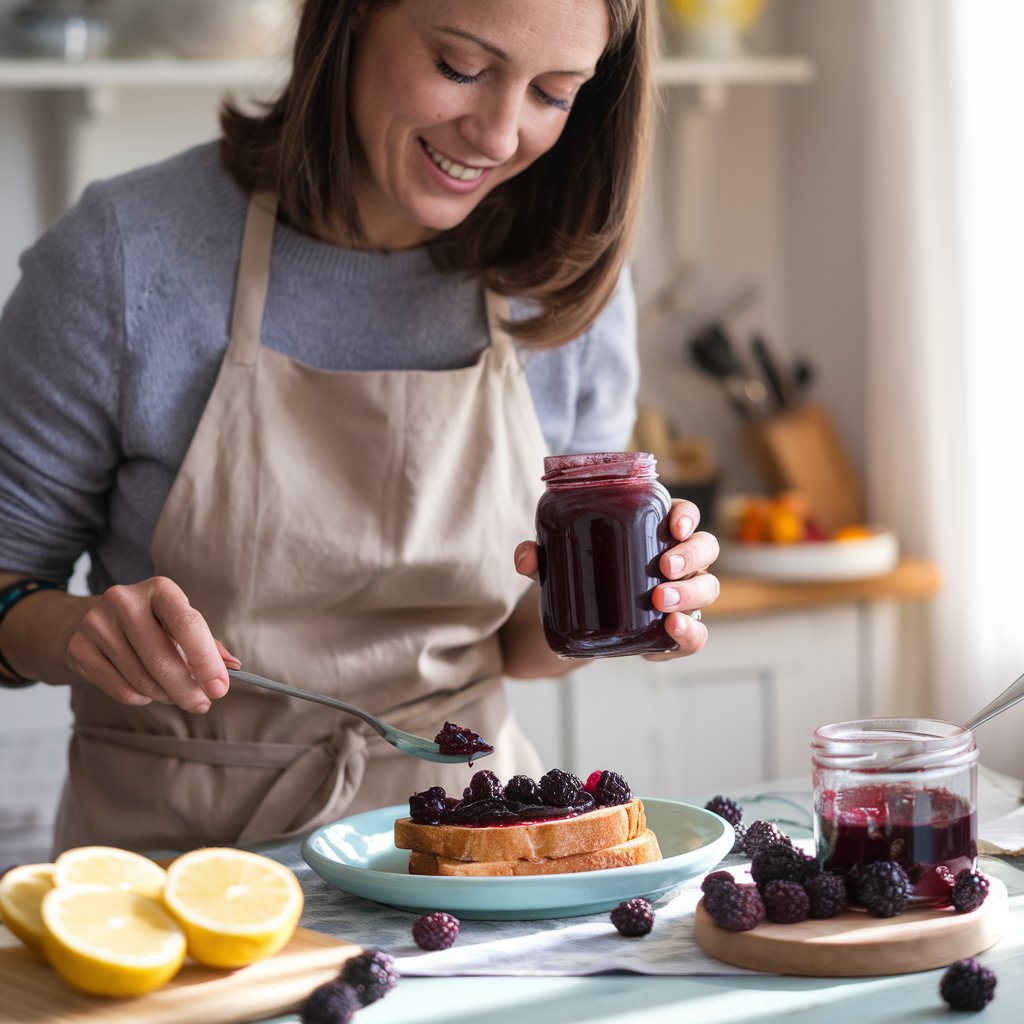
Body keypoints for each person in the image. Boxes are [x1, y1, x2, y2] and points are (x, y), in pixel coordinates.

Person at [0, 0, 720, 855]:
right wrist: (79, 632)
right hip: (178, 876)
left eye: (553, 93)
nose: (497, 135)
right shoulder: (126, 257)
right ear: (349, 19)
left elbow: (526, 647)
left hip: (459, 850)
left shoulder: (561, 282)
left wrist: (627, 605)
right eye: (460, 67)